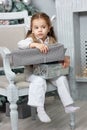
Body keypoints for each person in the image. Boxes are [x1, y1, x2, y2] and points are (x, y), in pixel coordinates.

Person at [17, 12, 80, 123]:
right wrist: (35, 45)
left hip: (48, 72)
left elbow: (57, 54)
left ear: (49, 28)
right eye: (36, 28)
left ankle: (68, 105)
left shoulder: (51, 40)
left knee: (61, 78)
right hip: (33, 73)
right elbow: (20, 44)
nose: (40, 30)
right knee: (39, 81)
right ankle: (40, 109)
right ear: (32, 29)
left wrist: (63, 59)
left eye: (43, 27)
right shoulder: (30, 40)